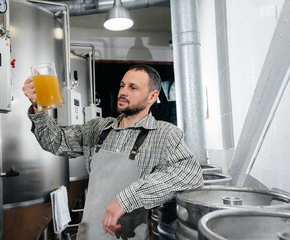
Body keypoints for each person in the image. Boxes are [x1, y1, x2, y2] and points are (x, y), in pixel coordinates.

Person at [22, 64, 203, 240]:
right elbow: (55, 141)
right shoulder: (98, 128)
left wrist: (127, 198)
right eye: (122, 86)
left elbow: (189, 174)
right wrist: (39, 108)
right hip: (88, 235)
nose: (123, 92)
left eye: (133, 88)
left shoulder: (163, 134)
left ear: (152, 96)